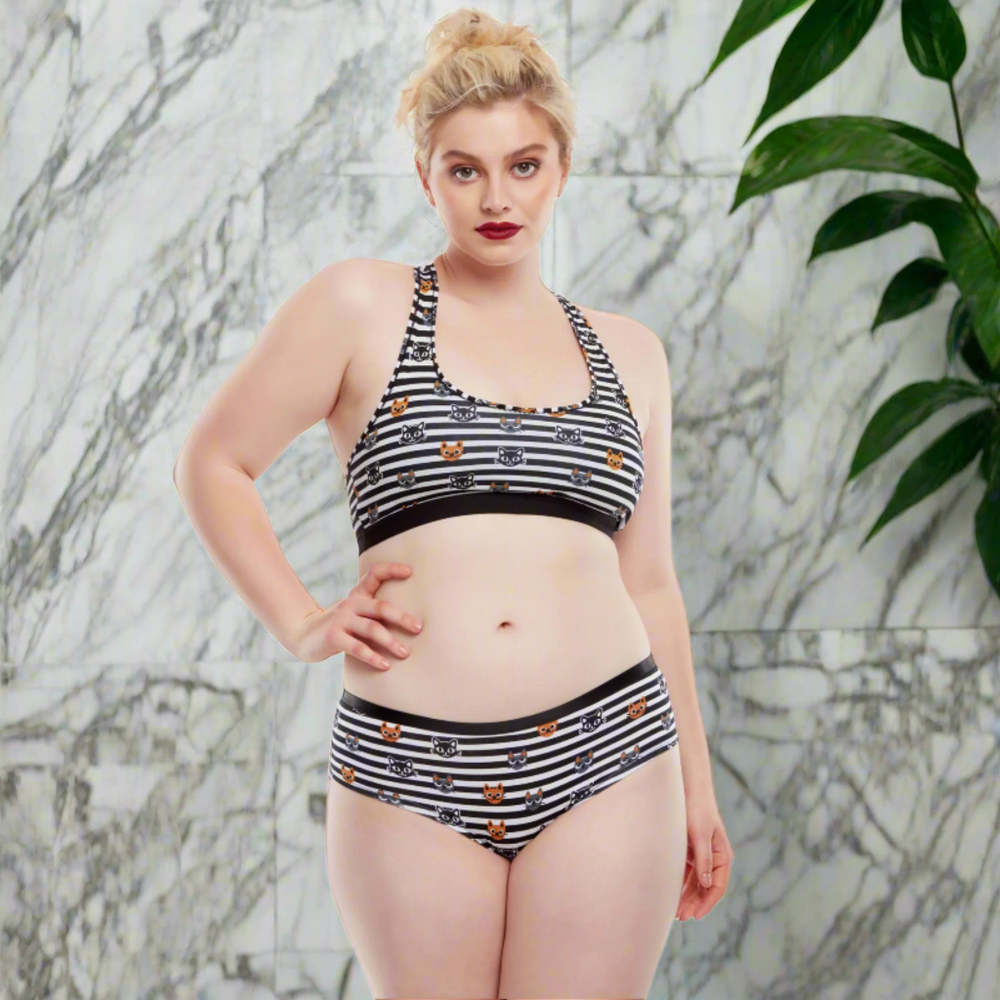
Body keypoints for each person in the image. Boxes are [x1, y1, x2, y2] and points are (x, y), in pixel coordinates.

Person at [173, 7, 733, 998]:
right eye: (464, 169)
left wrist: (696, 781)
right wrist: (302, 621)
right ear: (425, 177)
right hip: (407, 769)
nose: (496, 197)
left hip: (612, 749)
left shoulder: (631, 354)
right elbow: (214, 461)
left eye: (524, 165)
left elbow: (650, 582)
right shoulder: (362, 305)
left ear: (562, 168)